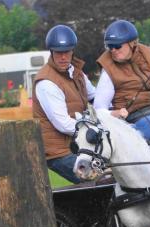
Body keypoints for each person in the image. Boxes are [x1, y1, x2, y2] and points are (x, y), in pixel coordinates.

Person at [32, 25, 95, 184]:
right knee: (95, 178)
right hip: (57, 152)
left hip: (77, 143)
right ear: (51, 52)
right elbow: (63, 124)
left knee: (114, 170)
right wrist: (94, 130)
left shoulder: (76, 72)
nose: (63, 57)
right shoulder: (46, 82)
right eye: (58, 52)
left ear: (72, 51)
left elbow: (95, 97)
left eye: (66, 52)